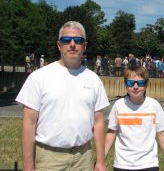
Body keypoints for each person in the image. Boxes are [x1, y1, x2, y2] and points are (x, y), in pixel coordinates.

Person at [16, 21, 110, 171]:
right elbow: (29, 124)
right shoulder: (39, 77)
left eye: (78, 40)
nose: (72, 44)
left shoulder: (93, 79)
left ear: (84, 46)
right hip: (49, 159)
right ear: (59, 45)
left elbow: (98, 123)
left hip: (83, 158)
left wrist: (100, 161)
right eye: (66, 40)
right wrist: (28, 166)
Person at [105, 66, 164, 171]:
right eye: (131, 83)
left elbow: (161, 134)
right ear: (126, 85)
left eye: (140, 83)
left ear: (145, 85)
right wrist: (101, 159)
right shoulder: (119, 105)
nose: (135, 87)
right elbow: (111, 133)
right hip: (122, 164)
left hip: (148, 163)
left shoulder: (153, 105)